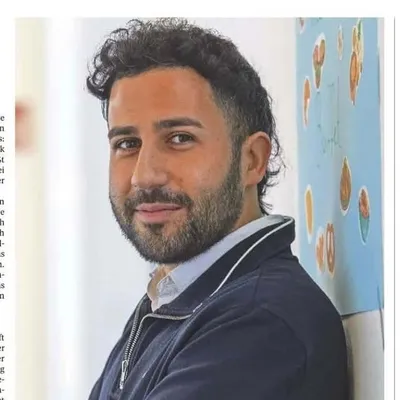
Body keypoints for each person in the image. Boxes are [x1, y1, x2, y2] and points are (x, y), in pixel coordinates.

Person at [86, 18, 348, 400]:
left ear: (252, 160)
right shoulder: (171, 300)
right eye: (127, 143)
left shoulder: (262, 321)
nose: (144, 176)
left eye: (179, 138)